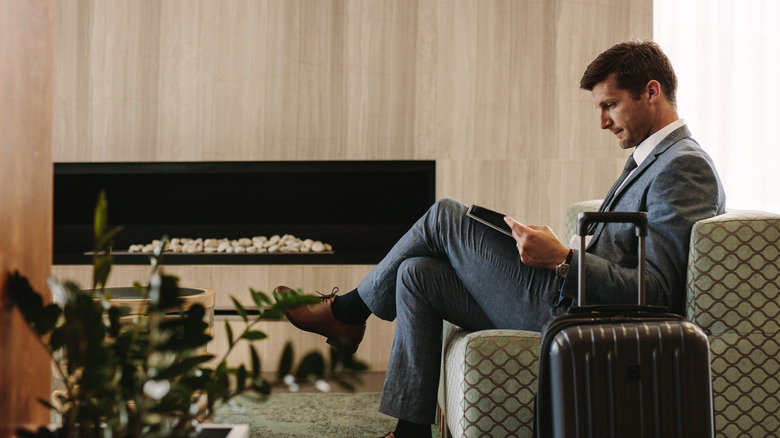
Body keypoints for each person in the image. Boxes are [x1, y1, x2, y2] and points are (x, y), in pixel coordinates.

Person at [277, 40, 726, 438]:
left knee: (445, 216)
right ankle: (411, 430)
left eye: (609, 105)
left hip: (578, 317)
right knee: (417, 274)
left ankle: (347, 313)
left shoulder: (684, 167)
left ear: (651, 91)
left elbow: (659, 292)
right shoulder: (653, 160)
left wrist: (564, 262)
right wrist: (553, 251)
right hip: (570, 301)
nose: (603, 122)